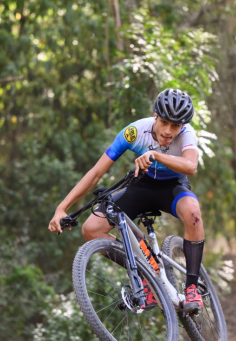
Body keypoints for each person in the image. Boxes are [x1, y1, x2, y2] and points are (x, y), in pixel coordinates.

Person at [48, 88, 205, 312]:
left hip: (173, 188)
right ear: (155, 115)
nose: (168, 131)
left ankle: (192, 288)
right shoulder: (134, 132)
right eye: (164, 122)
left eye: (175, 126)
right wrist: (62, 207)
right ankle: (146, 275)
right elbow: (96, 173)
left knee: (193, 213)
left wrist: (156, 155)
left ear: (183, 125)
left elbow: (191, 166)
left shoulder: (187, 133)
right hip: (141, 187)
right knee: (91, 229)